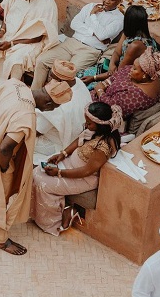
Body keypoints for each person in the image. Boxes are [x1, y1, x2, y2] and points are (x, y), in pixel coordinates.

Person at [0, 77, 73, 255]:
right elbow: (5, 148)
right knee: (1, 192)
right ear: (49, 102)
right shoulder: (26, 115)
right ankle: (0, 240)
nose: (50, 110)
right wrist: (4, 168)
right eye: (54, 107)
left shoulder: (15, 85)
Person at [30, 101, 122, 235]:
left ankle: (54, 221)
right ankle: (45, 211)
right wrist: (63, 154)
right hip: (70, 166)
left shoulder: (103, 147)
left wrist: (59, 173)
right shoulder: (92, 130)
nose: (86, 125)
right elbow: (80, 139)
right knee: (37, 171)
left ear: (100, 126)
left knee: (42, 183)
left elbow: (86, 171)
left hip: (83, 178)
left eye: (89, 123)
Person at [32, 0, 124, 87]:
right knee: (42, 60)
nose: (106, 1)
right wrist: (93, 33)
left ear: (118, 1)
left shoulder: (119, 19)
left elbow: (102, 35)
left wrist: (93, 16)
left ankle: (52, 98)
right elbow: (74, 24)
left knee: (68, 73)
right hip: (71, 43)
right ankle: (35, 94)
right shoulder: (90, 6)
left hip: (90, 50)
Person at [80, 4, 160, 88]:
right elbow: (117, 52)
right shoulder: (128, 33)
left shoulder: (135, 45)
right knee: (81, 74)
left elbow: (119, 73)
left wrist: (94, 78)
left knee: (85, 85)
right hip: (116, 69)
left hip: (127, 75)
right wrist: (111, 65)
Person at [33, 60, 92, 165]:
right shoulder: (78, 82)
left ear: (60, 80)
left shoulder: (57, 103)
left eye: (51, 78)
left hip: (59, 144)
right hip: (75, 137)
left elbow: (36, 131)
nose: (49, 81)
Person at [91, 47, 160, 122]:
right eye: (133, 65)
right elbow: (116, 75)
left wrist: (100, 90)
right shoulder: (147, 74)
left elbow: (111, 107)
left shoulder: (135, 96)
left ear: (144, 74)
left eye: (134, 69)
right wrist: (105, 83)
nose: (130, 69)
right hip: (99, 90)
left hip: (99, 109)